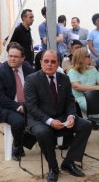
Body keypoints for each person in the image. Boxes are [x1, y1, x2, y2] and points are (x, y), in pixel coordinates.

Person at [24, 50, 92, 182]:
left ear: (58, 64)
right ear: (41, 62)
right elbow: (31, 107)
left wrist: (71, 116)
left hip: (60, 116)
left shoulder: (64, 78)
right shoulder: (31, 80)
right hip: (39, 119)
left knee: (85, 125)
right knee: (43, 132)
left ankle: (69, 162)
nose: (49, 64)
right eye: (46, 61)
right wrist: (49, 121)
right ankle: (53, 168)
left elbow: (70, 101)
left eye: (53, 62)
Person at [67, 48, 99, 141]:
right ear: (81, 58)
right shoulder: (72, 72)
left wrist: (95, 88)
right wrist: (96, 88)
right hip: (81, 97)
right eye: (88, 56)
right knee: (98, 108)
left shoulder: (93, 69)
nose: (90, 58)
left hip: (96, 96)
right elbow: (77, 87)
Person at [0, 43, 34, 161]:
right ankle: (17, 146)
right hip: (5, 107)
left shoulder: (29, 70)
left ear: (23, 58)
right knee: (19, 121)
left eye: (15, 56)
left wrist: (28, 106)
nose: (12, 59)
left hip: (26, 104)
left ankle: (24, 141)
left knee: (42, 116)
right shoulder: (1, 71)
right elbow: (1, 97)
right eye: (10, 56)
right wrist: (18, 107)